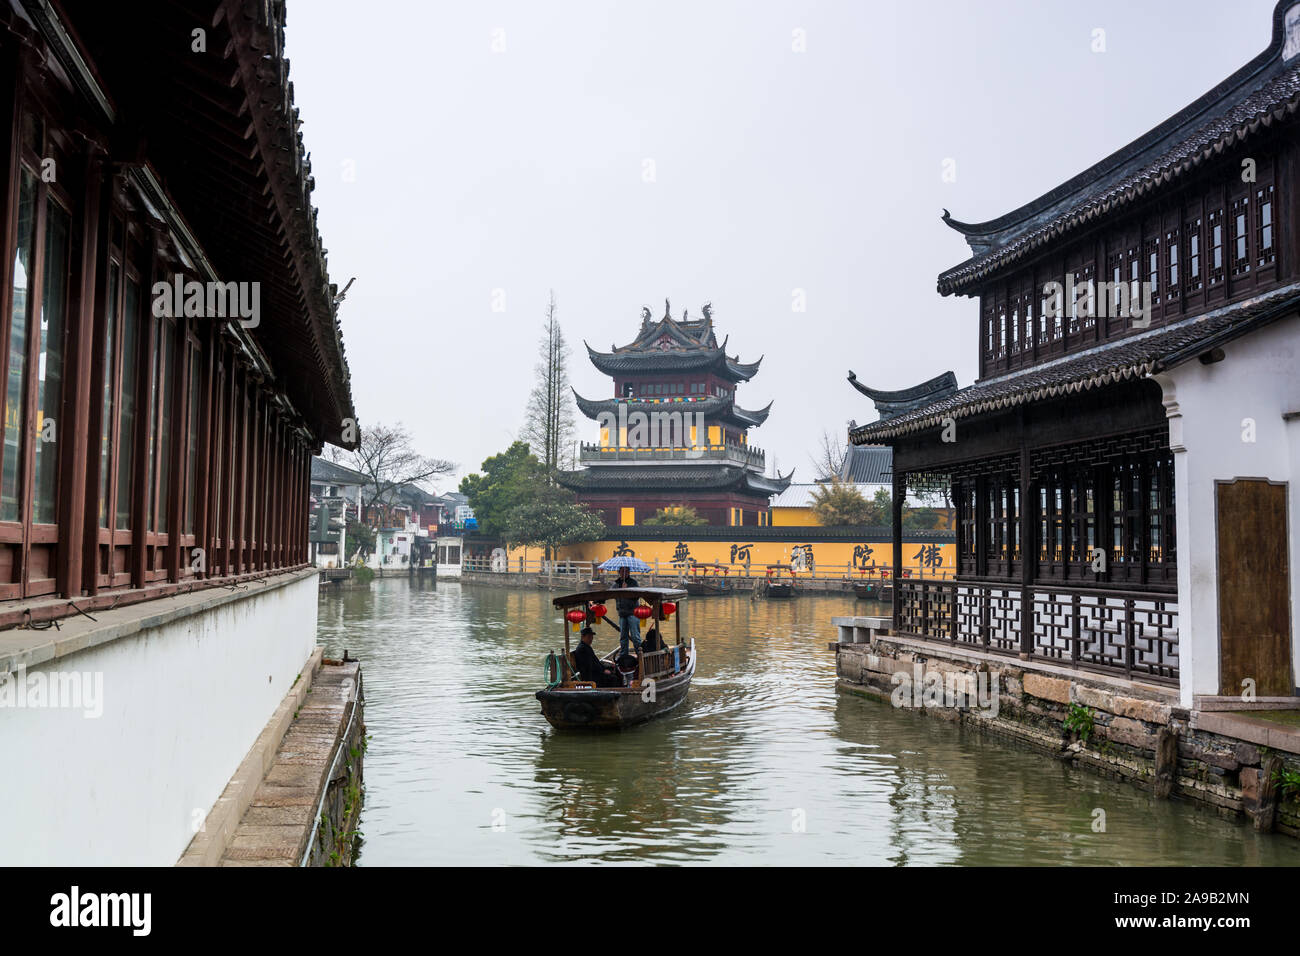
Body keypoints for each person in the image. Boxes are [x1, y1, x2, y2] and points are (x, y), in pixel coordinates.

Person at [613, 565, 643, 657]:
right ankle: (623, 656)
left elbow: (637, 596)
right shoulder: (616, 584)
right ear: (619, 572)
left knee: (635, 636)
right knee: (623, 637)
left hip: (632, 613)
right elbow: (609, 594)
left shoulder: (633, 583)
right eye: (622, 571)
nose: (624, 573)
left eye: (626, 571)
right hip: (622, 613)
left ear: (629, 572)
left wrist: (626, 590)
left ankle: (640, 655)